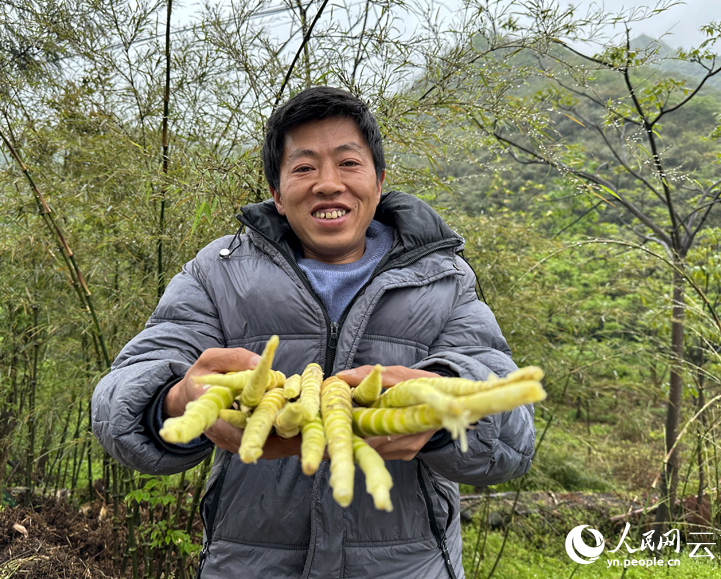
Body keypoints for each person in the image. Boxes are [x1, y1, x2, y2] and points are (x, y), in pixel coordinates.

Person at [92, 86, 535, 579]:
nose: (328, 183)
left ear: (379, 179)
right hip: (248, 566)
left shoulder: (444, 279)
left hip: (407, 567)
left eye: (348, 163)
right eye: (304, 167)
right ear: (278, 196)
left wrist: (443, 412)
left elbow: (513, 433)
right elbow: (118, 398)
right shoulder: (217, 273)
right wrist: (177, 401)